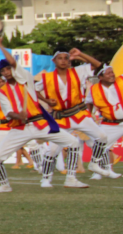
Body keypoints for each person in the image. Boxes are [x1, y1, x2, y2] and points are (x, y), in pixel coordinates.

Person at [0, 39, 81, 192]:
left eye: (8, 69)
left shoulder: (26, 79)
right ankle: (5, 185)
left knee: (74, 143)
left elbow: (13, 63)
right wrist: (18, 115)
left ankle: (71, 178)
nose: (6, 72)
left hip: (40, 124)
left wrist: (0, 46)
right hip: (20, 128)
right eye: (3, 71)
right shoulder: (1, 92)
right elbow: (8, 112)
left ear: (13, 69)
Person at [35, 49, 108, 188]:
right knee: (52, 150)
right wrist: (46, 100)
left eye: (66, 58)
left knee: (102, 137)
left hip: (78, 114)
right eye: (60, 58)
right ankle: (45, 178)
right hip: (60, 118)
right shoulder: (48, 77)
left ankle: (93, 164)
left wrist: (80, 54)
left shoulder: (78, 71)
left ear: (70, 61)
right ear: (54, 61)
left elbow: (98, 65)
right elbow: (33, 90)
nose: (63, 60)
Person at [85, 65, 123, 179]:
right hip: (110, 122)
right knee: (100, 145)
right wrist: (89, 116)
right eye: (108, 73)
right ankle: (102, 170)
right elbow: (88, 102)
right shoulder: (94, 89)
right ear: (100, 77)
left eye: (112, 72)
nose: (112, 75)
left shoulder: (121, 81)